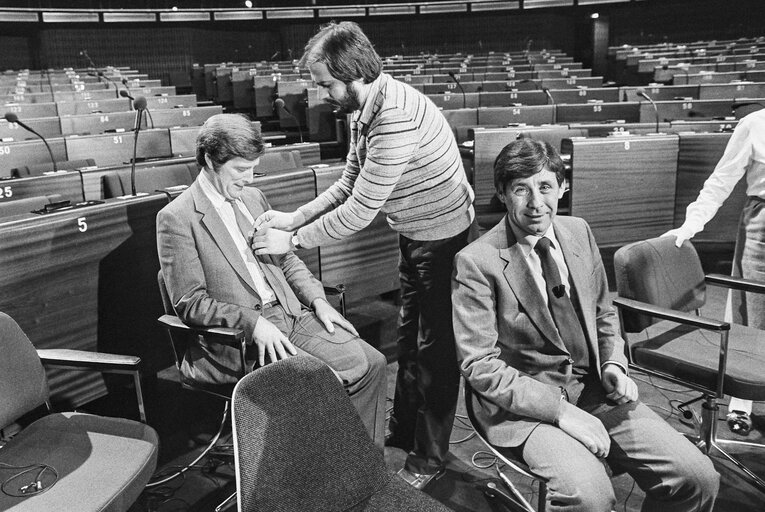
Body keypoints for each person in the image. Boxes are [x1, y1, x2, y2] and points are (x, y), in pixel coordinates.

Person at [250, 21, 476, 489]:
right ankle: (402, 429)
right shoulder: (362, 108)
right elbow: (349, 181)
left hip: (443, 239)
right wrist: (293, 217)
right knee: (410, 337)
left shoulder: (393, 116)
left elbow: (359, 211)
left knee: (437, 352)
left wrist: (291, 242)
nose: (323, 94)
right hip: (414, 232)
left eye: (327, 84)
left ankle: (430, 455)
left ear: (353, 73)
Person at [452, 138, 719, 512]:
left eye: (545, 187)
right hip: (526, 408)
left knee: (696, 477)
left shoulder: (578, 230)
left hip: (593, 389)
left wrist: (613, 363)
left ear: (562, 187)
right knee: (590, 497)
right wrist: (561, 411)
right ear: (501, 193)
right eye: (520, 190)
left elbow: (602, 311)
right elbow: (480, 366)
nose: (535, 203)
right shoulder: (476, 262)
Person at [156, 113, 387, 447]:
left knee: (374, 363)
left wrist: (318, 301)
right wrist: (254, 324)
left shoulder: (253, 199)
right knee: (323, 383)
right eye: (240, 169)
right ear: (209, 160)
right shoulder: (176, 218)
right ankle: (319, 477)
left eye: (253, 167)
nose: (249, 178)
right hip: (242, 336)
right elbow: (191, 303)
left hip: (293, 314)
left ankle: (362, 468)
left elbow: (286, 258)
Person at [664, 107, 765, 436]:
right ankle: (741, 403)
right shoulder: (754, 124)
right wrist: (690, 225)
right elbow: (721, 181)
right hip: (762, 222)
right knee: (751, 309)